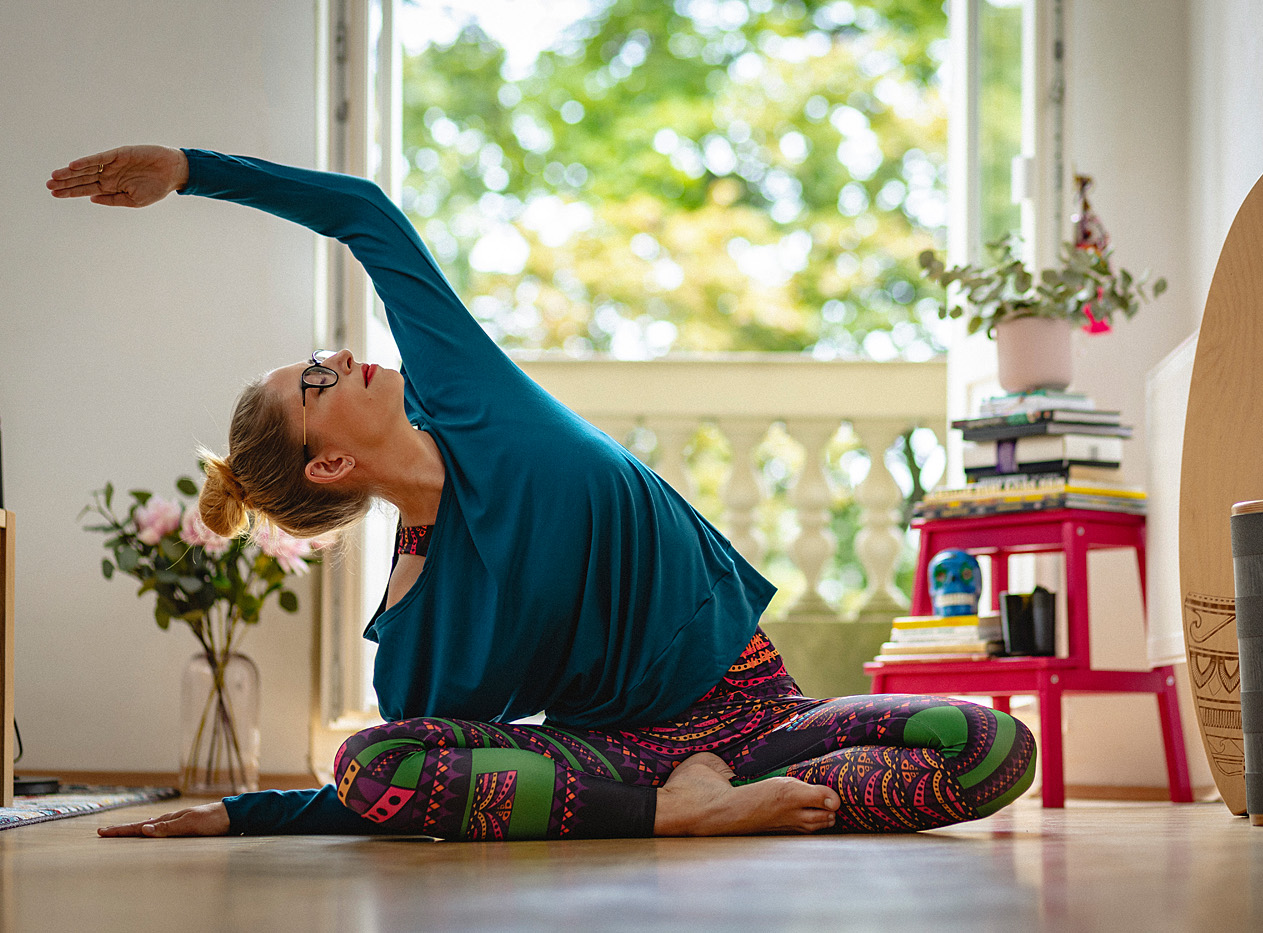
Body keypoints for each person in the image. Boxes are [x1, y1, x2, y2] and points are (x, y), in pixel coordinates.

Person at [49, 146, 1037, 841]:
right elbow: (395, 779)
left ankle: (729, 796)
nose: (338, 358)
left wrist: (186, 170)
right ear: (329, 466)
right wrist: (244, 813)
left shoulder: (464, 393)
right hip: (622, 763)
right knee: (368, 757)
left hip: (759, 719)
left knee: (990, 748)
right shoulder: (414, 622)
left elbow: (362, 213)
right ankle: (676, 815)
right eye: (314, 381)